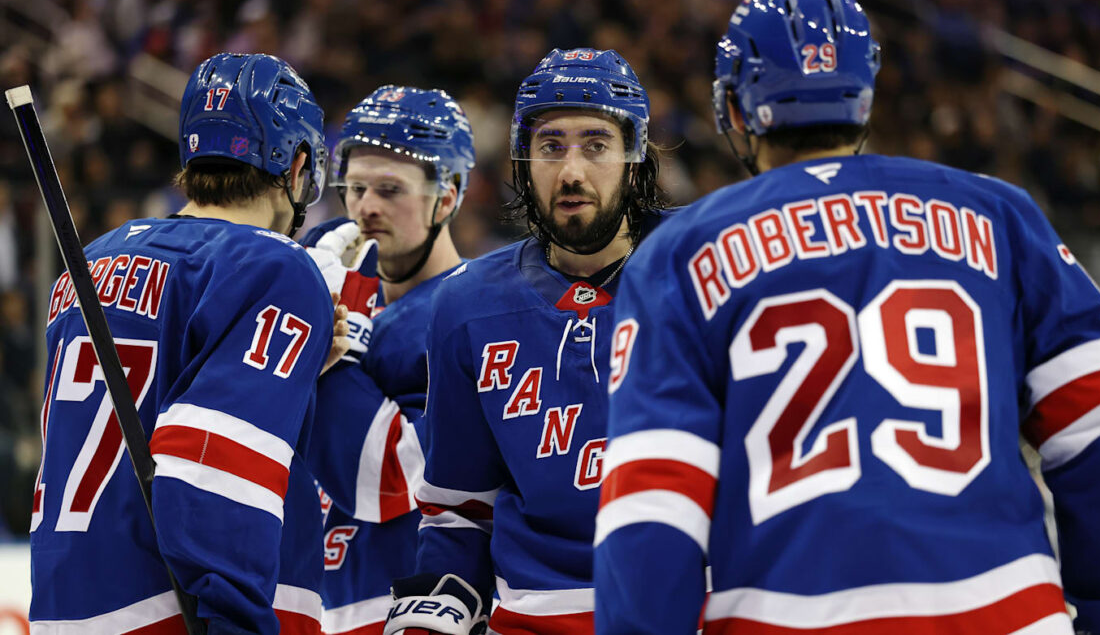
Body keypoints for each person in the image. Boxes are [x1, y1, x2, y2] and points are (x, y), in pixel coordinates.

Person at [594, 0, 1100, 634]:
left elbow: (653, 504)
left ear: (733, 106)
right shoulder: (999, 213)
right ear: (864, 93)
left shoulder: (680, 253)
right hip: (1005, 613)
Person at [29, 52, 337, 633]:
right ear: (298, 165)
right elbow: (212, 466)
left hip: (62, 601)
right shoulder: (276, 267)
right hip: (172, 608)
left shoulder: (88, 263)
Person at [383, 48, 670, 635]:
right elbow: (460, 512)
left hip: (687, 606)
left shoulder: (706, 268)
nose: (571, 171)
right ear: (521, 159)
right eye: (550, 146)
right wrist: (434, 608)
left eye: (595, 145)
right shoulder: (465, 305)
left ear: (634, 156)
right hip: (535, 616)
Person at [298, 85, 474, 635]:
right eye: (354, 188)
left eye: (390, 189)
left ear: (446, 197)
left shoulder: (470, 317)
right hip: (321, 605)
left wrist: (327, 351)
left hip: (411, 611)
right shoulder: (337, 289)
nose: (365, 206)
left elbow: (391, 479)